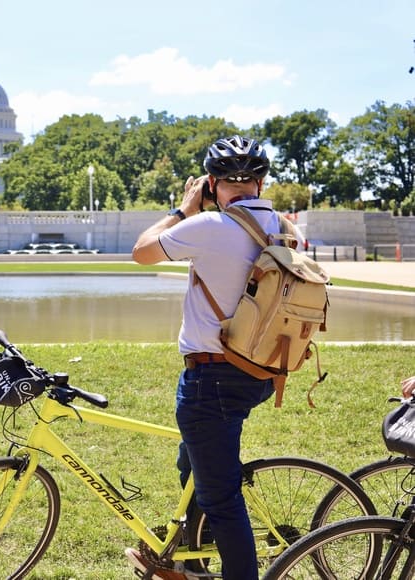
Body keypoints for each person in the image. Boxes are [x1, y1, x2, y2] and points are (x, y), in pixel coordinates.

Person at [128, 135, 278, 580]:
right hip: (260, 371)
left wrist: (183, 209)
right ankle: (190, 560)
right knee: (190, 462)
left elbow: (141, 252)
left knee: (221, 498)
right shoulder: (283, 227)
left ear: (211, 185)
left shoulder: (209, 225)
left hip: (212, 378)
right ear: (262, 184)